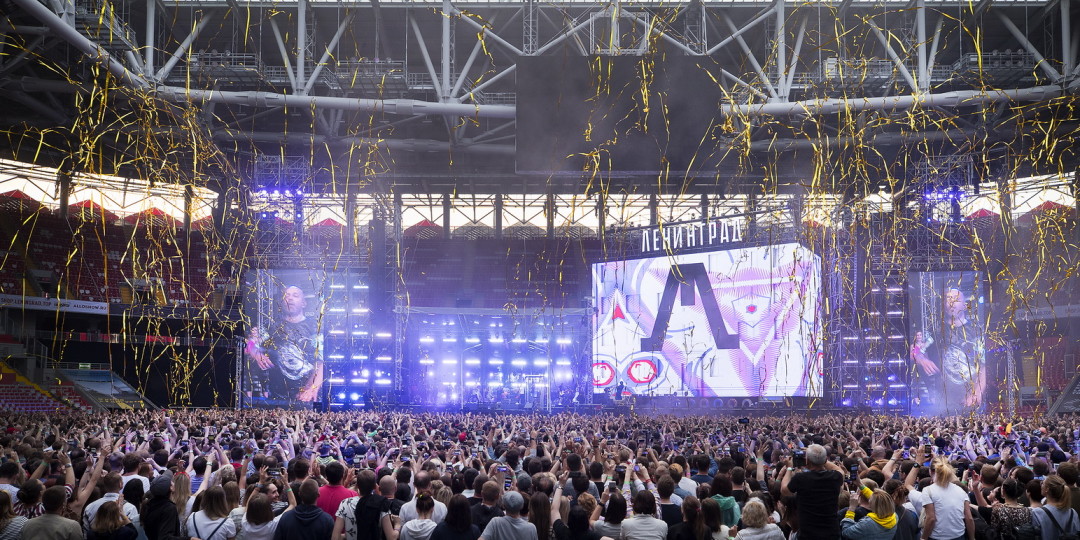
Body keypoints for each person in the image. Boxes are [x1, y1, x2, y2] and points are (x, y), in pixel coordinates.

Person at [264, 285, 324, 403]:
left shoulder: (314, 327)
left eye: (295, 295)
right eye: (286, 296)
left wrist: (311, 387)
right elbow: (251, 343)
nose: (290, 298)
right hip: (276, 396)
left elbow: (321, 361)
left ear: (303, 303)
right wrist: (255, 351)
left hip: (306, 396)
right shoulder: (272, 326)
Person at [781, 444, 845, 540]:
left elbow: (784, 490)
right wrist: (820, 457)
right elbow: (840, 470)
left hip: (808, 534)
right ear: (825, 460)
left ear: (807, 461)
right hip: (832, 533)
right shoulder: (835, 477)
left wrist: (789, 468)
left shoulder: (801, 478)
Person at [941, 287, 986, 410]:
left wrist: (977, 392)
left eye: (955, 299)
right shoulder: (937, 331)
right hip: (943, 401)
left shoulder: (976, 331)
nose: (951, 303)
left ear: (965, 305)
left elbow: (984, 365)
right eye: (948, 299)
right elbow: (917, 350)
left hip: (970, 399)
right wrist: (921, 358)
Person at [921, 458, 973, 540]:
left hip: (937, 537)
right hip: (959, 535)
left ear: (930, 471)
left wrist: (923, 538)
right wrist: (972, 538)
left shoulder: (928, 490)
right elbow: (969, 518)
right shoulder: (960, 490)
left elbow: (931, 518)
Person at [1031, 476, 1080, 540]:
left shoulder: (1037, 513)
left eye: (1042, 483)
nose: (1041, 485)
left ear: (1047, 489)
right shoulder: (1072, 512)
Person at [140, 471, 182, 540]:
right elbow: (165, 537)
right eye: (171, 482)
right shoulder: (169, 508)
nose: (173, 483)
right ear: (171, 488)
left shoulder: (150, 504)